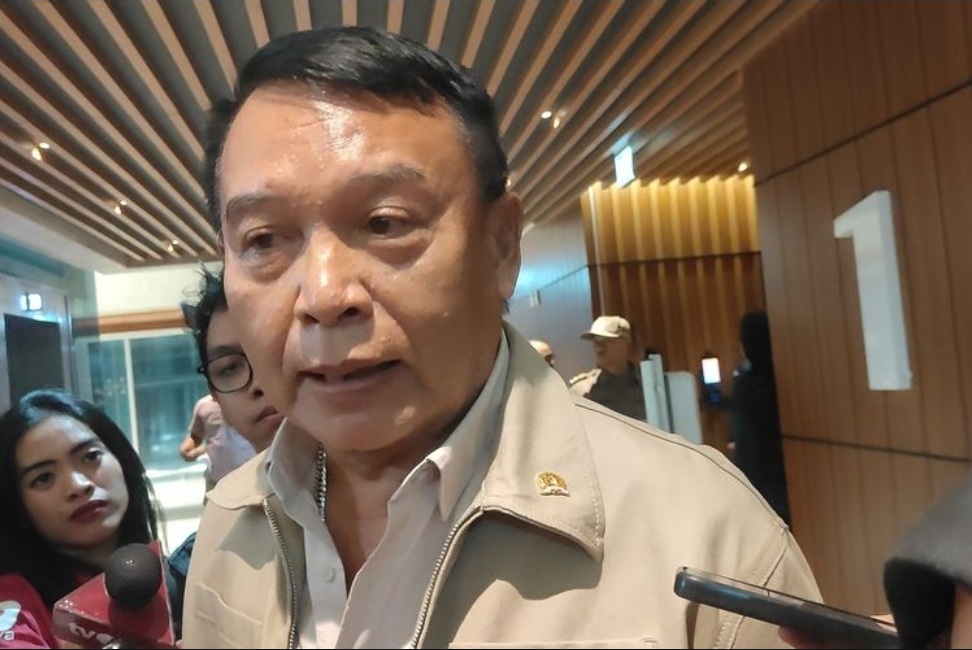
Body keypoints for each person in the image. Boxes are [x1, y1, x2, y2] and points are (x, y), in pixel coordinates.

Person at [182, 25, 819, 648]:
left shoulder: (705, 532)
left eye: (384, 223)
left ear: (502, 244)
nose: (324, 296)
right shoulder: (229, 525)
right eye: (263, 239)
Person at [167, 266, 284, 637]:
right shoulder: (200, 557)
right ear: (215, 395)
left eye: (273, 350)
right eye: (230, 367)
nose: (258, 383)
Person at [0, 389, 162, 648]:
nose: (78, 485)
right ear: (18, 506)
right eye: (43, 478)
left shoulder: (179, 575)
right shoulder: (12, 600)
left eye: (90, 456)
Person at [728, 311, 791, 526]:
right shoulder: (788, 376)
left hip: (763, 482)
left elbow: (746, 442)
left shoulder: (746, 386)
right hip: (793, 473)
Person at [568, 315, 647, 421]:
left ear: (626, 343)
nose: (599, 348)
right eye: (595, 340)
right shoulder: (582, 390)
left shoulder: (647, 385)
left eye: (607, 340)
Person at [179, 394, 256, 493]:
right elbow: (193, 440)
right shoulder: (203, 405)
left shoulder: (250, 399)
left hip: (251, 478)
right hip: (216, 482)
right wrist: (198, 449)